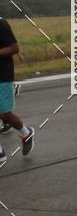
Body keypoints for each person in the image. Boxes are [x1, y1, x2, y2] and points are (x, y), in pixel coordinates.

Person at [0, 17, 34, 164]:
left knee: (4, 114)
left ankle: (26, 133)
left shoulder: (1, 23)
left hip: (3, 74)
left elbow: (14, 48)